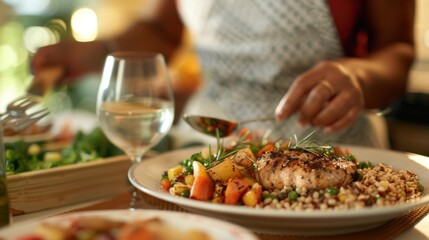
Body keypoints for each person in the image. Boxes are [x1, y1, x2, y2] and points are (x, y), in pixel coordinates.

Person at [31, 0, 415, 148]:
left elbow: (398, 50)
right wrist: (99, 51)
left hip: (331, 143)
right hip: (207, 139)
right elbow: (162, 29)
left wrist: (359, 78)